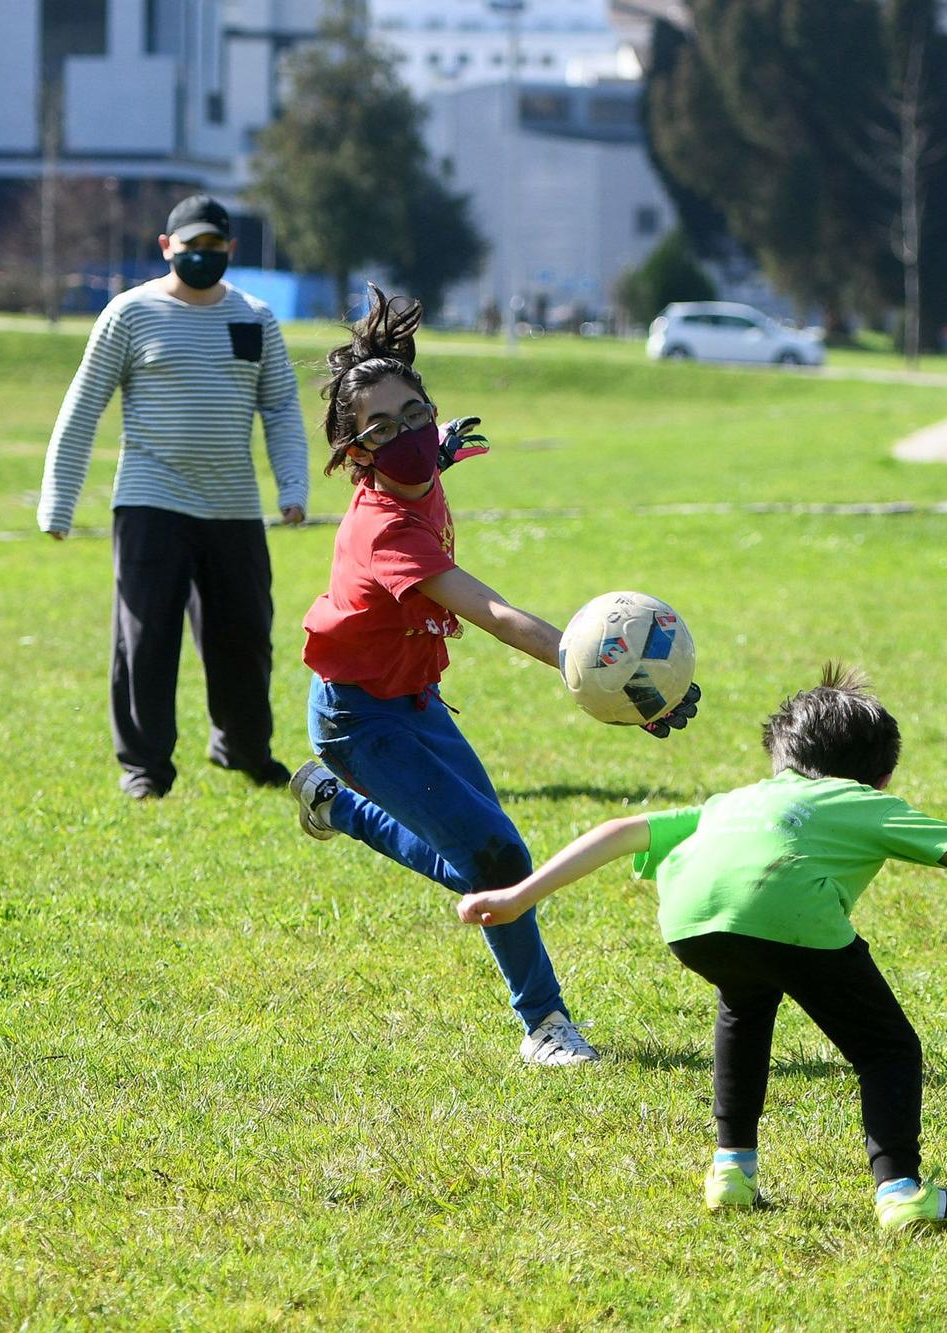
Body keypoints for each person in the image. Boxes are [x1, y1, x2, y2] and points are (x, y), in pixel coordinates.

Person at [452, 665, 947, 1229]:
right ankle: (900, 1190)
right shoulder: (865, 802)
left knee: (745, 1005)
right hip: (791, 916)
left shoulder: (738, 799)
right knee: (887, 1048)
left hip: (693, 920)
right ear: (882, 774)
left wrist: (517, 897)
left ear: (780, 760)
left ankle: (731, 1171)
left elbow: (621, 830)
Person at [288, 286, 701, 1067]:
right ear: (358, 454)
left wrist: (434, 443)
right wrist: (615, 681)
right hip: (358, 720)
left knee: (490, 855)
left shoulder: (419, 463)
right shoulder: (384, 530)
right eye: (382, 429)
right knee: (503, 861)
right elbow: (500, 615)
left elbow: (424, 449)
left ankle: (334, 806)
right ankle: (544, 1024)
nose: (407, 435)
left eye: (415, 414)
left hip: (415, 700)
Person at [38, 194, 310, 800]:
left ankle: (242, 749)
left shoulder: (255, 318)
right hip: (150, 502)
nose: (202, 257)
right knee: (144, 638)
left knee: (244, 636)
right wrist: (58, 502)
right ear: (167, 247)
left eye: (214, 247)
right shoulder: (128, 314)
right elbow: (83, 407)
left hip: (233, 508)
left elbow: (282, 409)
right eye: (190, 247)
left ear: (230, 250)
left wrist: (292, 487)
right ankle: (145, 768)